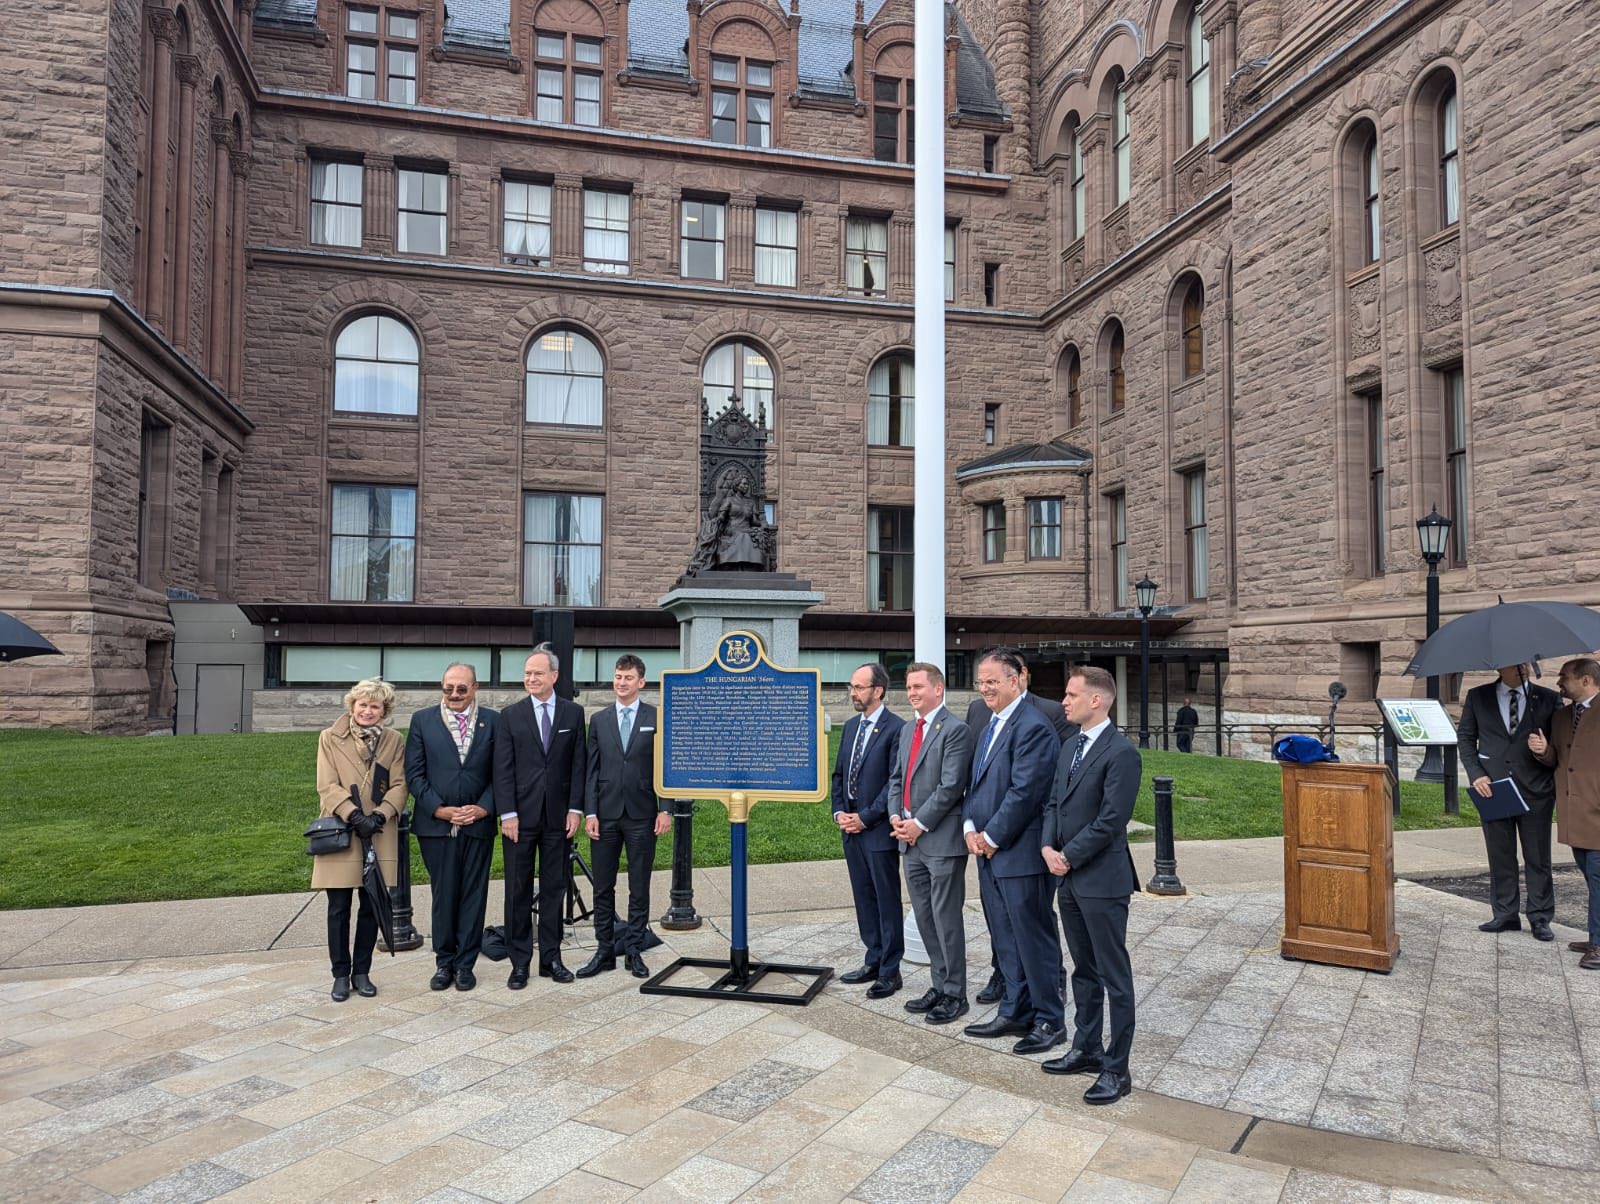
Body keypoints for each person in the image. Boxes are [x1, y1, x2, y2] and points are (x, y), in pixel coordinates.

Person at [1042, 665, 1142, 1104]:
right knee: (1083, 969)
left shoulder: (1122, 754)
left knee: (1113, 975)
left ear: (1096, 700)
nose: (1064, 702)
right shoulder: (1069, 746)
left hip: (1102, 879)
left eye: (1071, 695)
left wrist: (1068, 855)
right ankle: (1086, 1047)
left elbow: (1110, 822)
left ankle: (1116, 1070)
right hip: (1067, 878)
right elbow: (1053, 803)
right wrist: (1048, 846)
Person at [961, 650, 1066, 1057]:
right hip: (988, 852)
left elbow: (1025, 792)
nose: (986, 688)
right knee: (1004, 937)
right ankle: (1014, 1010)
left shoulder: (1033, 727)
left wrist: (992, 836)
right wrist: (971, 828)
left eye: (993, 681)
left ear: (1016, 680)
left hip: (1019, 854)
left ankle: (1048, 1020)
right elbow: (978, 785)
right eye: (981, 682)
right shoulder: (990, 724)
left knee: (1032, 939)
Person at [886, 662, 975, 1025]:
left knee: (946, 919)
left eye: (918, 686)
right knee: (924, 916)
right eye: (908, 687)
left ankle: (956, 993)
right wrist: (896, 816)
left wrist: (918, 824)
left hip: (939, 840)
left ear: (938, 689)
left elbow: (951, 787)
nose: (912, 693)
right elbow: (896, 779)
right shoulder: (908, 730)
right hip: (909, 842)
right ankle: (939, 984)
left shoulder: (956, 731)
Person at [493, 646, 586, 988]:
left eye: (538, 673)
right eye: (527, 673)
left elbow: (579, 765)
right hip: (519, 818)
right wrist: (508, 814)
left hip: (559, 819)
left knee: (554, 889)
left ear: (554, 677)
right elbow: (501, 770)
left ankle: (551, 959)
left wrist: (576, 809)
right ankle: (519, 963)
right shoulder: (510, 716)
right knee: (517, 891)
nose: (531, 679)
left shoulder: (573, 714)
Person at [312, 677, 408, 1003]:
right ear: (353, 705)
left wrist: (380, 815)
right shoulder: (329, 738)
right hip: (342, 829)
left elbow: (400, 784)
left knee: (371, 906)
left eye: (375, 706)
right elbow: (327, 784)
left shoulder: (394, 741)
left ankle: (362, 971)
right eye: (363, 704)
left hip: (378, 832)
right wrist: (355, 816)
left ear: (384, 710)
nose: (368, 711)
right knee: (338, 908)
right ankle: (340, 973)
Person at [405, 662, 498, 992]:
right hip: (436, 827)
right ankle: (444, 962)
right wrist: (440, 810)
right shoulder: (422, 721)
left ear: (475, 688)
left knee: (474, 895)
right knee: (444, 894)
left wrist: (484, 808)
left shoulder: (493, 722)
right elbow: (414, 775)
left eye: (461, 688)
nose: (454, 694)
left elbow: (500, 773)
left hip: (478, 825)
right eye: (448, 688)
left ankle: (465, 965)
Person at [580, 654, 671, 980]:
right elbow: (591, 771)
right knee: (603, 887)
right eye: (618, 677)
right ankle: (604, 950)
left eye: (628, 678)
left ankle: (634, 948)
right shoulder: (600, 720)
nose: (621, 683)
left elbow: (666, 767)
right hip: (604, 815)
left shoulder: (656, 717)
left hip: (642, 815)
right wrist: (590, 811)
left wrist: (666, 808)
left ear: (641, 682)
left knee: (639, 886)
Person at [1456, 664, 1559, 939]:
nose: (1523, 668)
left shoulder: (1548, 698)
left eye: (1525, 663)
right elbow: (1466, 738)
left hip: (1535, 789)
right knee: (1500, 854)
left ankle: (1540, 917)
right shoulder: (1478, 696)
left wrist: (1545, 750)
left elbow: (1561, 744)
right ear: (1501, 667)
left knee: (1538, 857)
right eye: (1516, 664)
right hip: (1493, 787)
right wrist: (1476, 775)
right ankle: (1505, 914)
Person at [832, 663, 906, 999]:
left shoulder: (896, 729)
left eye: (860, 687)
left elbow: (894, 784)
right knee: (863, 898)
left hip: (877, 832)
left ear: (878, 690)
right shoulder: (849, 727)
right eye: (852, 686)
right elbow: (838, 776)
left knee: (885, 900)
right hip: (850, 830)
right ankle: (872, 959)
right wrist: (839, 812)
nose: (853, 693)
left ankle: (890, 971)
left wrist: (865, 817)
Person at [1530, 658, 1600, 969]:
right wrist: (1543, 750)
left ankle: (1598, 945)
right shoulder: (1561, 717)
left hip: (1598, 814)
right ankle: (1597, 935)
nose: (1559, 682)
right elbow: (1558, 760)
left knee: (1599, 881)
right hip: (1575, 815)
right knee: (1591, 879)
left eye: (1565, 677)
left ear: (1587, 681)